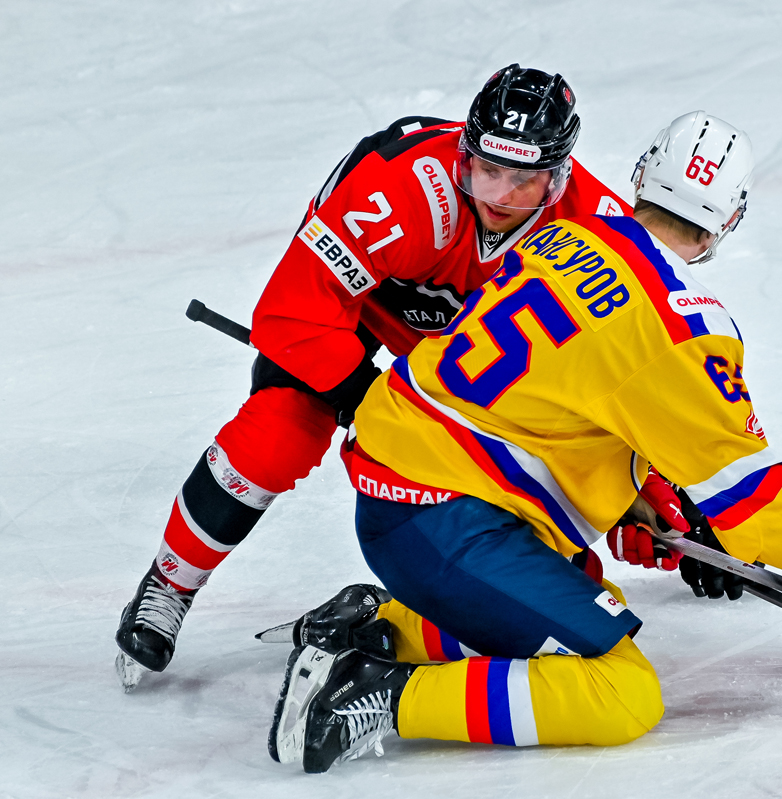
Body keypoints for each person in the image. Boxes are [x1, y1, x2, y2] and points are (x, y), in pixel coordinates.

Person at [266, 111, 782, 774]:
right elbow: (753, 498)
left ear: (641, 176)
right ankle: (366, 696)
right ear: (729, 220)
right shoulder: (682, 329)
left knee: (585, 595)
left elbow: (558, 400)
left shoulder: (564, 237)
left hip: (411, 481)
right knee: (621, 691)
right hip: (444, 517)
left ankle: (381, 625)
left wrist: (628, 495)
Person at [114, 64, 631, 690]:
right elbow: (291, 314)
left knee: (533, 501)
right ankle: (170, 582)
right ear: (464, 153)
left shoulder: (599, 227)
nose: (499, 194)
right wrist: (372, 399)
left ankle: (406, 613)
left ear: (559, 176)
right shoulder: (402, 190)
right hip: (357, 312)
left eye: (523, 180)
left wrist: (655, 495)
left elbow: (628, 377)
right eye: (487, 169)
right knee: (279, 433)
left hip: (474, 355)